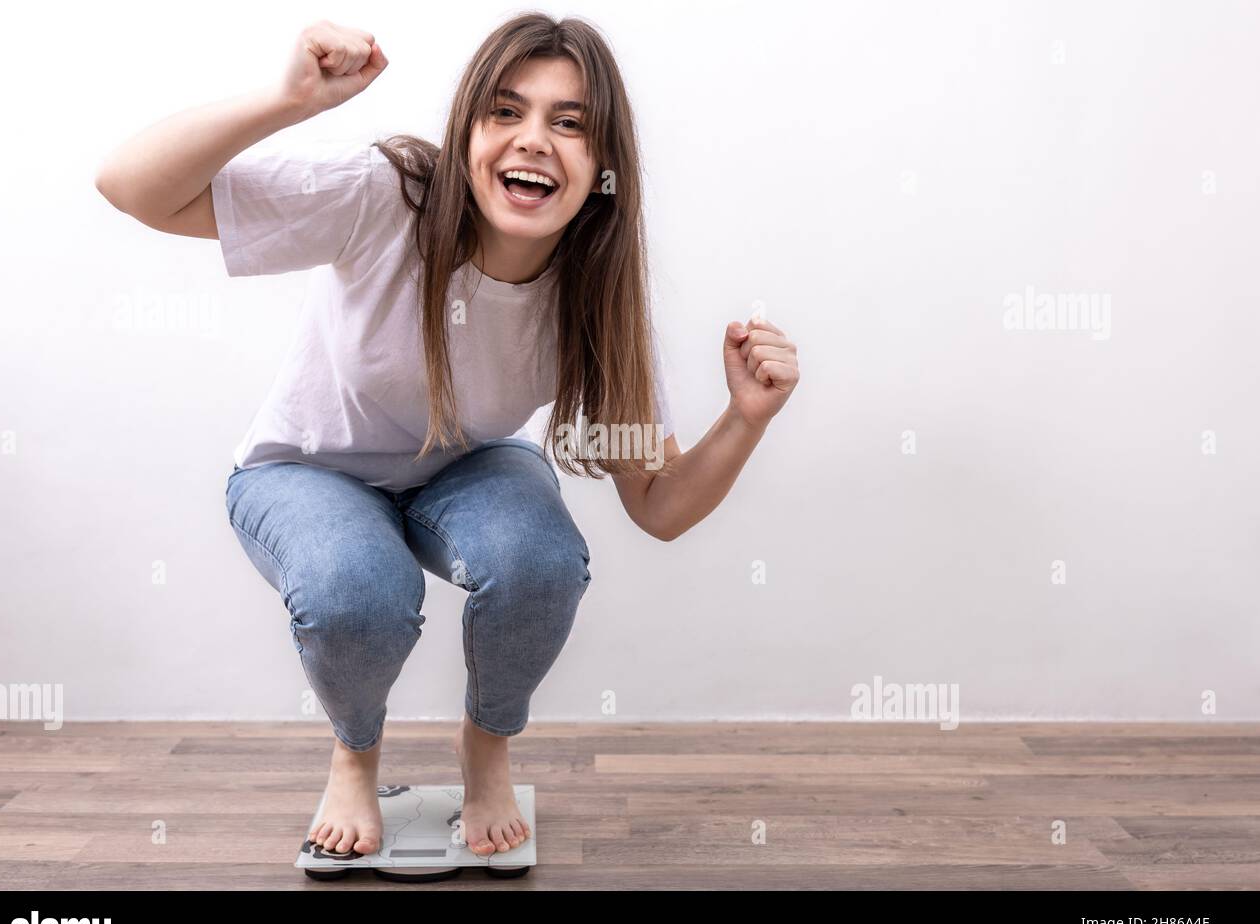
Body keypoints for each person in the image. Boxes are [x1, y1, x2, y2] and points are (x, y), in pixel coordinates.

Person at [95, 14, 799, 860]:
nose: (534, 141)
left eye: (569, 123)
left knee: (540, 560)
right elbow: (130, 186)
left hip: (462, 467)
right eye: (506, 112)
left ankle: (486, 746)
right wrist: (287, 101)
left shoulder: (595, 297)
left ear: (604, 168)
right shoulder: (386, 196)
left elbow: (657, 501)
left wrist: (745, 418)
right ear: (467, 130)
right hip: (304, 470)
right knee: (359, 588)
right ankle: (355, 751)